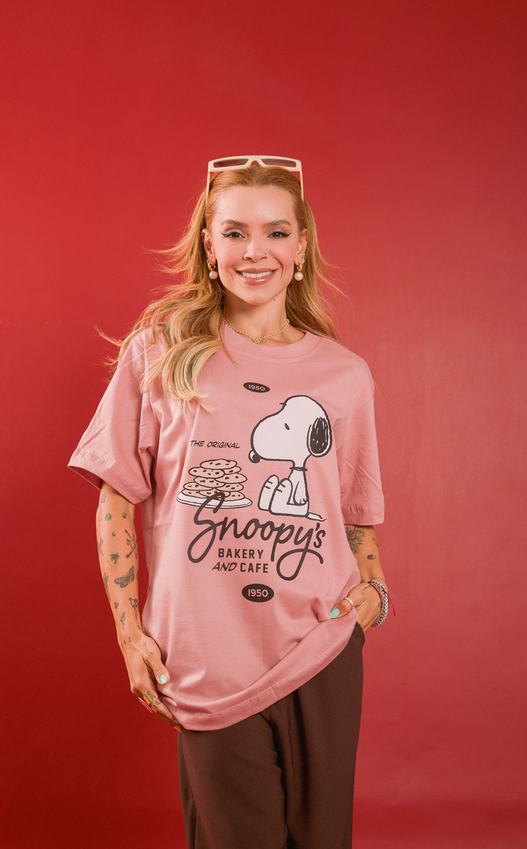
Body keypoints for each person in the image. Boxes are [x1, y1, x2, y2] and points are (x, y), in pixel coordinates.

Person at [68, 155, 390, 849]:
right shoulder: (159, 353)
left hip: (323, 646)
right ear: (209, 247)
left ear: (301, 247)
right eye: (235, 232)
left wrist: (376, 595)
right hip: (206, 657)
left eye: (276, 232)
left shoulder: (344, 375)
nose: (255, 251)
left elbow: (353, 515)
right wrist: (129, 632)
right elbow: (115, 498)